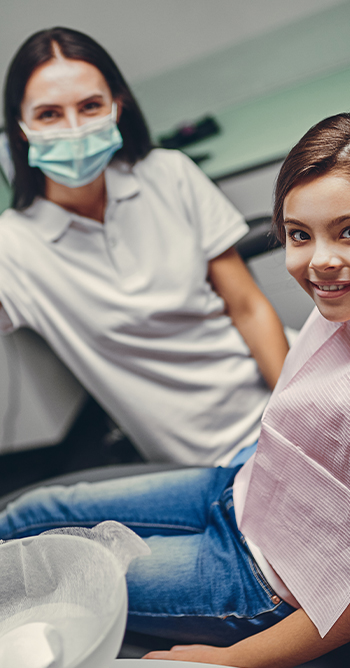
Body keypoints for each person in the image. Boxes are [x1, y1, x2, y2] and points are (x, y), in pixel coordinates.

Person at [1, 110, 350, 668]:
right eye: (299, 235)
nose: (321, 262)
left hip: (253, 576)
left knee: (45, 578)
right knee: (30, 513)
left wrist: (231, 660)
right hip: (242, 490)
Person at [0, 27, 289, 466]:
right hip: (216, 459)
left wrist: (299, 413)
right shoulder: (13, 247)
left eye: (90, 106)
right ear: (20, 129)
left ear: (117, 107)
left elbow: (247, 307)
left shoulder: (169, 173)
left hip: (286, 388)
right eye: (49, 115)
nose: (74, 129)